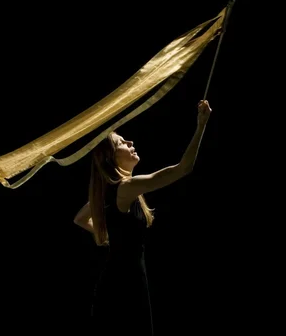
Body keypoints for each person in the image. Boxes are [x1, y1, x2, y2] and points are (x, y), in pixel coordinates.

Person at [73, 99, 212, 329]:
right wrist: (201, 125)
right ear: (110, 158)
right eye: (121, 142)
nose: (130, 142)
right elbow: (183, 168)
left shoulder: (115, 191)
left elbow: (79, 219)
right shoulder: (126, 188)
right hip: (125, 285)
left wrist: (111, 239)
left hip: (121, 281)